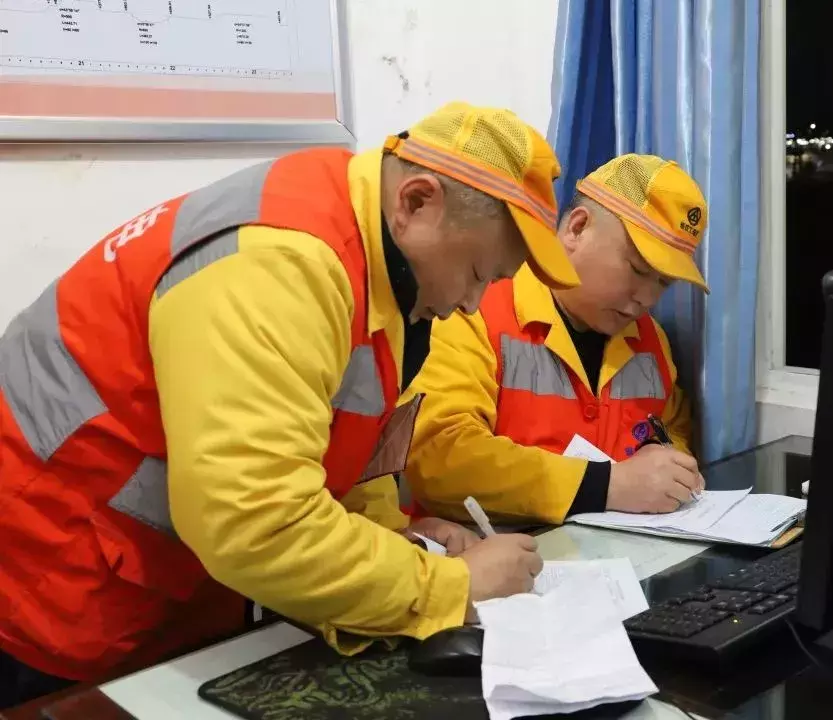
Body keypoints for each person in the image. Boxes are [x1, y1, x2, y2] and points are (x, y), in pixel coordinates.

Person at [0, 102, 580, 706]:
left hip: (172, 586)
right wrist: (448, 588)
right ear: (416, 202)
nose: (472, 304)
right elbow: (254, 519)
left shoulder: (380, 257)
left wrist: (397, 536)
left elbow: (348, 438)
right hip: (50, 583)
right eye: (477, 273)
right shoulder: (282, 262)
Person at [401, 154, 708, 525]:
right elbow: (438, 456)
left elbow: (671, 426)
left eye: (663, 282)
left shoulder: (649, 340)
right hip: (488, 555)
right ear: (577, 229)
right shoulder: (475, 309)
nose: (647, 297)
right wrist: (607, 485)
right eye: (638, 269)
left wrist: (669, 469)